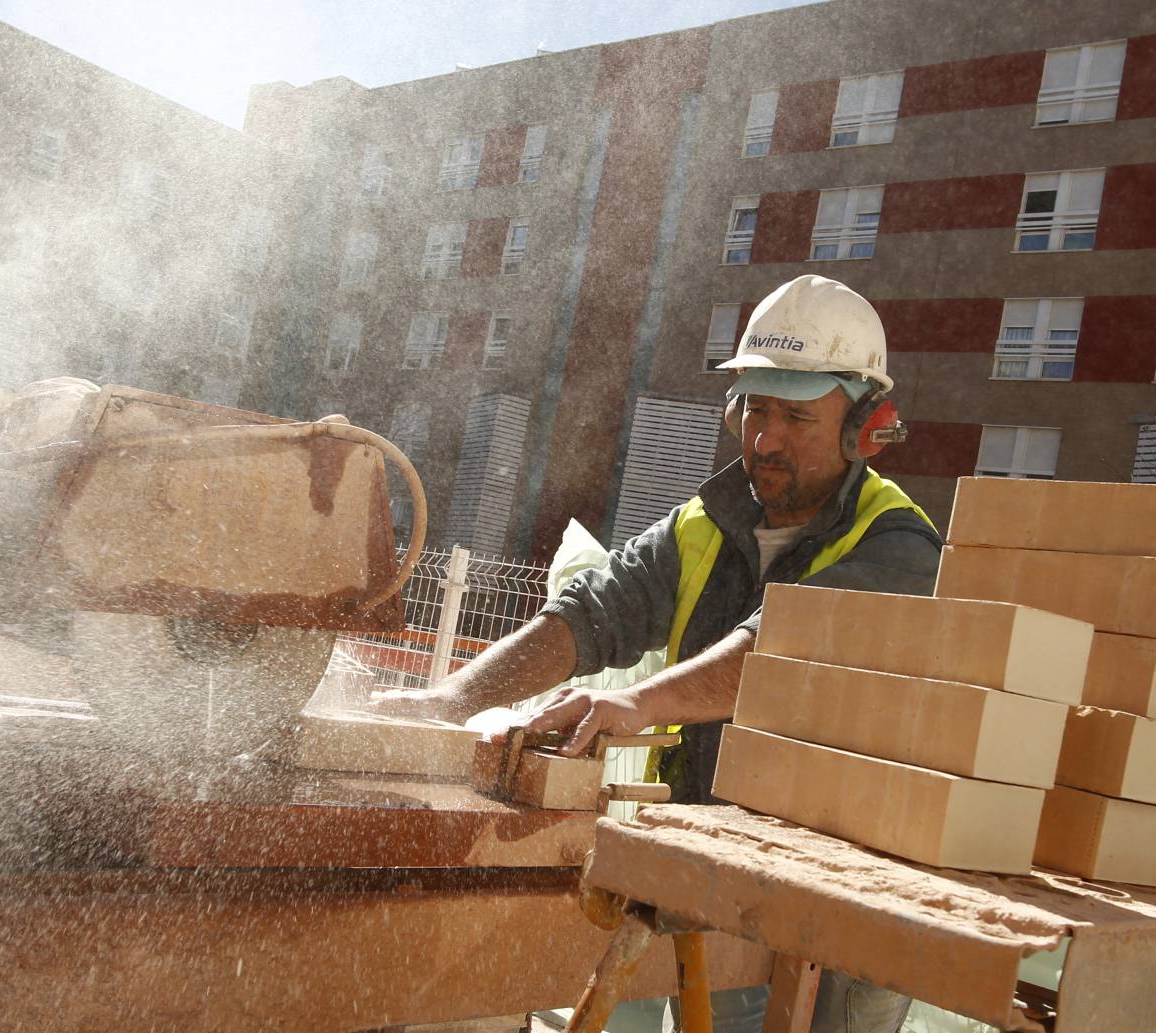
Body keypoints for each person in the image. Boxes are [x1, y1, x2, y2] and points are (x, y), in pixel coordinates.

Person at [374, 274, 941, 1033]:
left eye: (796, 417)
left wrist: (639, 701)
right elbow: (589, 613)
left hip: (844, 895)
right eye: (755, 409)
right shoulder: (708, 521)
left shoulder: (898, 543)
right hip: (721, 869)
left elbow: (783, 650)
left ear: (864, 426)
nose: (765, 439)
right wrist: (453, 700)